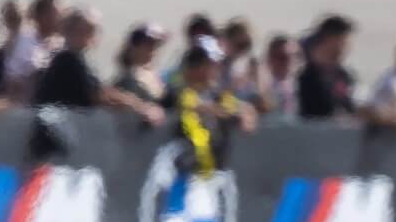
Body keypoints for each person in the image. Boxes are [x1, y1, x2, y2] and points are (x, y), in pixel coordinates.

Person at [34, 7, 165, 125]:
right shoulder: (68, 59)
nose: (92, 35)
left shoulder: (75, 58)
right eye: (86, 30)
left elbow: (100, 90)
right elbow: (99, 96)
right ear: (71, 31)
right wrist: (142, 108)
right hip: (56, 131)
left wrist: (140, 106)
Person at [170, 45, 252, 174]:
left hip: (213, 171)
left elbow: (240, 106)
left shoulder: (216, 93)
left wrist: (245, 114)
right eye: (210, 65)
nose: (216, 69)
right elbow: (192, 105)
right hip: (180, 168)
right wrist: (221, 111)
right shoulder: (178, 90)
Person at [0, 0, 63, 102]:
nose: (61, 18)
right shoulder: (24, 40)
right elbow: (15, 78)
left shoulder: (60, 43)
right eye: (56, 14)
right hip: (25, 104)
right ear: (42, 16)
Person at [296, 14, 357, 121]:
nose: (345, 46)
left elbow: (350, 107)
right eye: (342, 40)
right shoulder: (303, 76)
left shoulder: (344, 76)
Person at [111, 22, 169, 106]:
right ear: (133, 47)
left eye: (157, 45)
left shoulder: (154, 76)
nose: (153, 50)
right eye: (149, 44)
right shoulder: (126, 80)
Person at [256, 33, 298, 118]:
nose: (289, 61)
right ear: (270, 58)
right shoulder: (258, 88)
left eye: (294, 55)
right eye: (282, 57)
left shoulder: (303, 86)